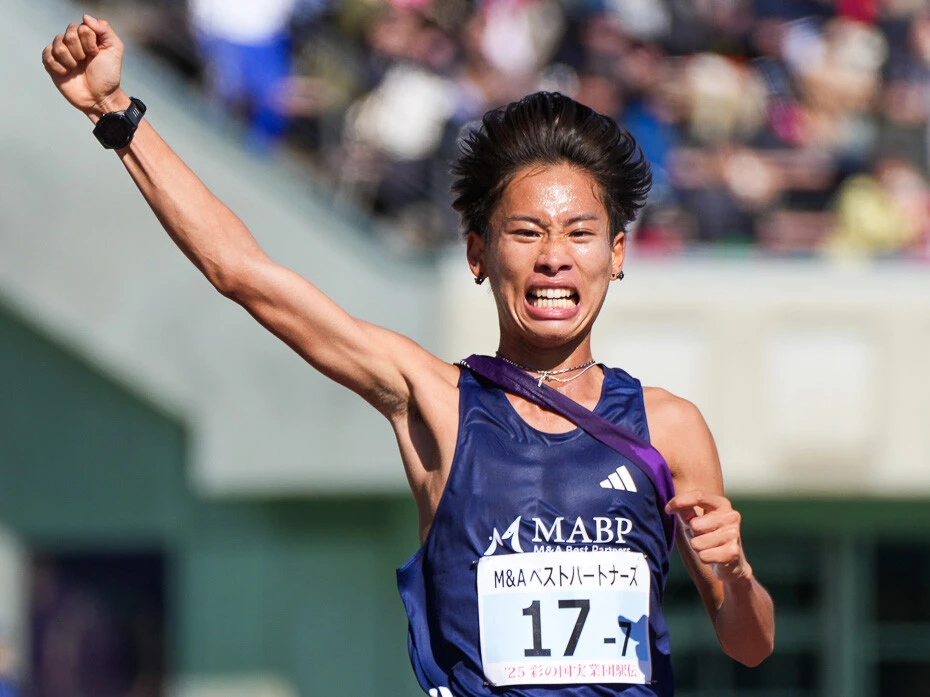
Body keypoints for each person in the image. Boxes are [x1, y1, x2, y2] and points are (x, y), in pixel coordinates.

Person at [42, 15, 774, 697]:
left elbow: (748, 643)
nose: (554, 258)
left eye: (580, 233)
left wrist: (734, 571)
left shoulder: (669, 428)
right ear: (478, 253)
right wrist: (115, 115)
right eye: (526, 232)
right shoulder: (435, 400)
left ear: (616, 253)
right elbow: (244, 273)